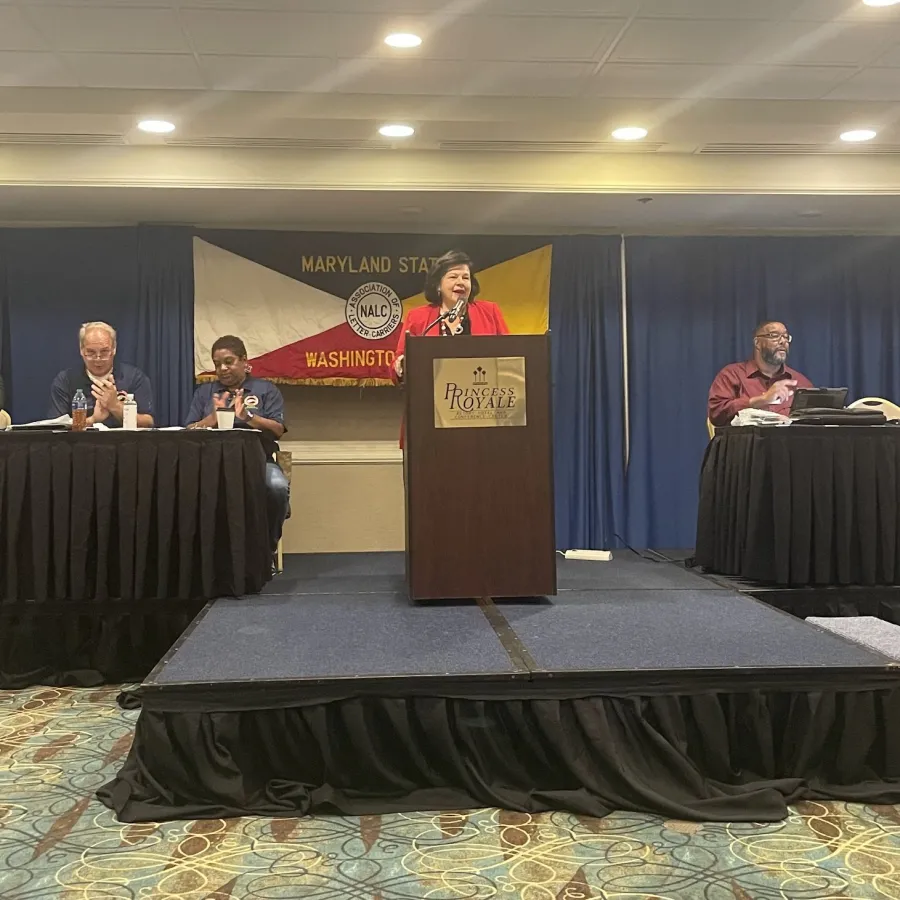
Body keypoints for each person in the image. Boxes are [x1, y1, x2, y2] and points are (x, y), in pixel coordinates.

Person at [186, 335, 290, 567]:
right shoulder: (205, 393)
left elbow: (278, 429)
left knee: (277, 488)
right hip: (211, 466)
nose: (222, 369)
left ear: (244, 361)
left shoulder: (265, 390)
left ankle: (268, 547)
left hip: (257, 461)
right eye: (217, 364)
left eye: (229, 361)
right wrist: (212, 418)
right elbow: (188, 429)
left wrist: (248, 417)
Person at [392, 249, 509, 383]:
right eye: (453, 277)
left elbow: (510, 354)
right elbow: (399, 361)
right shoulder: (418, 317)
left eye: (466, 277)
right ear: (438, 285)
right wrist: (401, 364)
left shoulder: (490, 311)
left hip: (481, 391)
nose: (460, 282)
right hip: (433, 395)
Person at [49, 322, 154, 427]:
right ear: (81, 350)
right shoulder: (65, 380)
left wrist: (115, 406)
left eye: (104, 352)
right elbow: (56, 428)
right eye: (90, 352)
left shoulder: (134, 378)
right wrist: (93, 419)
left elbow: (148, 423)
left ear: (114, 349)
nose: (98, 359)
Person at [708, 321, 813, 426]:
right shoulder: (732, 375)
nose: (783, 341)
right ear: (757, 343)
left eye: (786, 337)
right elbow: (716, 414)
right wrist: (760, 400)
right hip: (747, 441)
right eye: (774, 336)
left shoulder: (800, 382)